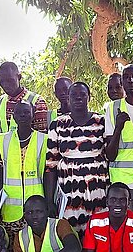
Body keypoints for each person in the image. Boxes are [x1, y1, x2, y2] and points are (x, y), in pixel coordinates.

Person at [45, 82, 109, 235]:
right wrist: (49, 200)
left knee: (98, 232)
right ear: (68, 98)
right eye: (74, 95)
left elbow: (110, 155)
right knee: (71, 232)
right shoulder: (58, 124)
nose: (78, 98)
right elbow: (50, 166)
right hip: (69, 190)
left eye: (83, 94)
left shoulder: (101, 122)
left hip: (97, 190)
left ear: (89, 97)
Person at [0, 101, 48, 241]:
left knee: (35, 244)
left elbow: (48, 173)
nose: (23, 115)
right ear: (13, 116)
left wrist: (48, 201)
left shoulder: (44, 140)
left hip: (36, 207)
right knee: (13, 247)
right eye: (19, 113)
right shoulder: (2, 140)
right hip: (10, 207)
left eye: (26, 112)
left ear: (32, 115)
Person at [105, 64, 133, 217]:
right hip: (122, 185)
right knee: (125, 232)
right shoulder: (113, 108)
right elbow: (110, 155)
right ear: (122, 82)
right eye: (126, 77)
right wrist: (118, 127)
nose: (130, 80)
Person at [0, 61, 49, 138]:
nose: (5, 85)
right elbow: (0, 131)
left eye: (10, 80)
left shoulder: (37, 101)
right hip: (5, 150)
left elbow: (41, 137)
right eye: (1, 81)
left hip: (29, 149)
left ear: (19, 77)